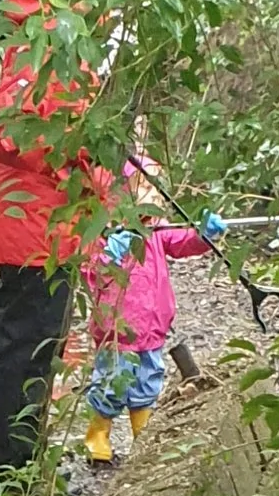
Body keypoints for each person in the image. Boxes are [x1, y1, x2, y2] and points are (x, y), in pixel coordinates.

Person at [0, 0, 115, 473]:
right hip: (30, 222)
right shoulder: (47, 39)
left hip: (44, 221)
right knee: (29, 344)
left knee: (33, 343)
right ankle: (14, 464)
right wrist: (74, 149)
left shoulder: (62, 37)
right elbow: (1, 132)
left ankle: (17, 453)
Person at [82, 198, 225, 464]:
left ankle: (142, 435)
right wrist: (107, 255)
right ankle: (98, 435)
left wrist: (204, 235)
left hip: (153, 328)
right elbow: (87, 269)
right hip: (117, 331)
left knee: (148, 381)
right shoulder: (100, 232)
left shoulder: (154, 232)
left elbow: (181, 241)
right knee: (110, 384)